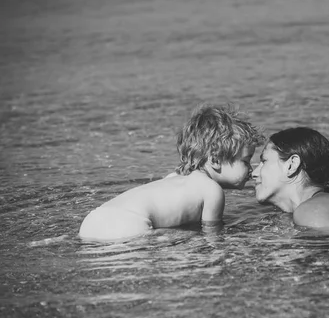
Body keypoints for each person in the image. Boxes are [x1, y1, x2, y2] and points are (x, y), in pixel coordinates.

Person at [79, 104, 265, 242]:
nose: (251, 169)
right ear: (215, 160)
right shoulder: (212, 190)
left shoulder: (175, 178)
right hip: (130, 225)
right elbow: (212, 236)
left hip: (95, 218)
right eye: (246, 161)